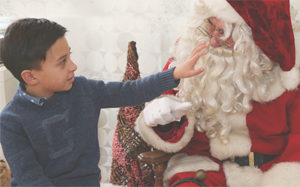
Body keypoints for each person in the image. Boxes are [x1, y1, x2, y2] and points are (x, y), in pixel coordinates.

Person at [0, 18, 209, 186]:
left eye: (69, 56)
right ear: (30, 77)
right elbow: (31, 179)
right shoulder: (11, 121)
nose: (73, 66)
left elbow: (132, 91)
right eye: (62, 62)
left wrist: (175, 74)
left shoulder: (82, 89)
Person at [135, 0, 300, 186]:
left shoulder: (289, 78)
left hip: (270, 171)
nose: (212, 41)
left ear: (254, 37)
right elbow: (171, 135)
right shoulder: (186, 61)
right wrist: (163, 121)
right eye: (209, 26)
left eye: (221, 32)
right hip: (205, 167)